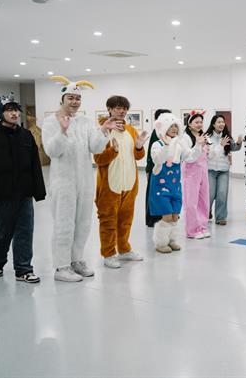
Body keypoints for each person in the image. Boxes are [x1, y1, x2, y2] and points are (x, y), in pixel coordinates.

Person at [42, 76, 120, 282]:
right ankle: (61, 266)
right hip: (63, 182)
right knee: (64, 223)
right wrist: (62, 131)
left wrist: (103, 130)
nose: (75, 101)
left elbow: (95, 147)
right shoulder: (51, 121)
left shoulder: (85, 122)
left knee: (83, 223)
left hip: (85, 181)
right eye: (71, 97)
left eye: (78, 98)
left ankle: (76, 260)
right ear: (62, 99)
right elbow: (52, 151)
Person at [0, 94, 46, 282]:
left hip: (24, 195)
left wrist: (38, 191)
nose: (14, 113)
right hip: (0, 197)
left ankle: (24, 269)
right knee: (0, 234)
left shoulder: (26, 136)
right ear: (0, 113)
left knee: (25, 232)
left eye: (16, 110)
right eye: (9, 110)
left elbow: (35, 165)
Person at [94, 95, 147, 269]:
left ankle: (124, 250)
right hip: (110, 185)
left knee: (126, 220)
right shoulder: (103, 130)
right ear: (109, 109)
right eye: (118, 108)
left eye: (124, 108)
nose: (122, 111)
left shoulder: (131, 130)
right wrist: (113, 152)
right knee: (108, 220)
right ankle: (108, 253)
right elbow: (98, 159)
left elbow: (138, 157)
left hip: (130, 183)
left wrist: (139, 146)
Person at [148, 113, 201, 253]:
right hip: (160, 187)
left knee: (175, 217)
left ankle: (171, 240)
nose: (174, 129)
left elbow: (190, 157)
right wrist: (167, 146)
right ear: (163, 128)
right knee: (166, 216)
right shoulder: (157, 144)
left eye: (175, 126)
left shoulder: (179, 144)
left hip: (175, 187)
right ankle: (161, 243)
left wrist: (198, 146)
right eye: (170, 126)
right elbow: (158, 159)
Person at [205, 114, 242, 226]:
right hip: (210, 170)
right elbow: (206, 152)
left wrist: (239, 142)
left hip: (223, 170)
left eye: (223, 122)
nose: (221, 124)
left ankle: (221, 217)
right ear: (213, 124)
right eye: (219, 122)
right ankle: (206, 212)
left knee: (222, 193)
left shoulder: (227, 136)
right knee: (210, 194)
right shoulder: (207, 137)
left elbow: (234, 147)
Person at [181, 111, 211, 239]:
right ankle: (192, 230)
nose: (199, 124)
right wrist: (198, 144)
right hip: (190, 172)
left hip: (203, 170)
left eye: (201, 122)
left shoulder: (203, 136)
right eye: (196, 122)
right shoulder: (185, 138)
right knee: (191, 202)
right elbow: (188, 157)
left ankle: (202, 226)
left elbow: (208, 155)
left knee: (204, 200)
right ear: (189, 124)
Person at [145, 109, 171, 227]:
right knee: (153, 193)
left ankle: (163, 216)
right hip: (156, 168)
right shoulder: (157, 132)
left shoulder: (168, 132)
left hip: (167, 169)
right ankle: (152, 218)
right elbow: (151, 154)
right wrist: (148, 169)